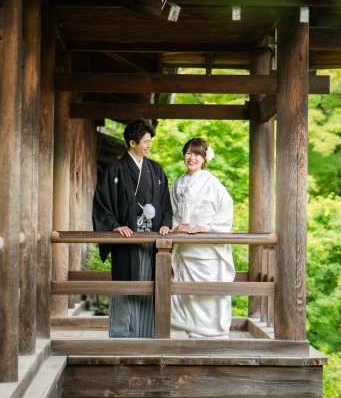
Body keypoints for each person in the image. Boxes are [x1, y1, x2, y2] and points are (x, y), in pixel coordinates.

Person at [92, 118, 172, 338]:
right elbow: (102, 204)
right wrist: (114, 226)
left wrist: (166, 224)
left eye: (150, 141)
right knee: (126, 285)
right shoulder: (115, 170)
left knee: (150, 285)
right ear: (132, 143)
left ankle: (148, 335)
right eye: (146, 141)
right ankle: (122, 336)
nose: (149, 145)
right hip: (126, 240)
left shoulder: (155, 169)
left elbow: (165, 203)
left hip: (151, 240)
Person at [170, 137, 235, 338]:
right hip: (186, 250)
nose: (192, 158)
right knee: (188, 295)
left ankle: (213, 334)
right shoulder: (178, 183)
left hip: (206, 250)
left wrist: (208, 228)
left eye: (197, 154)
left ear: (205, 158)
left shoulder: (212, 182)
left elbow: (227, 208)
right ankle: (193, 333)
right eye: (189, 153)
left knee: (207, 296)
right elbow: (171, 212)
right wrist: (175, 227)